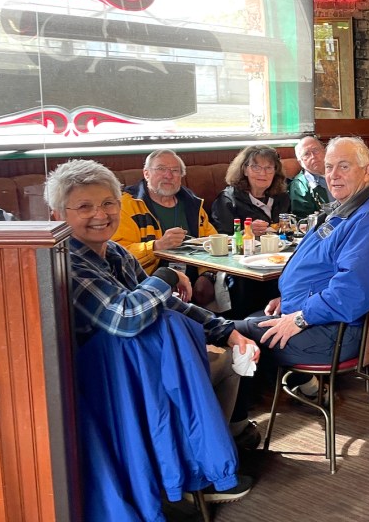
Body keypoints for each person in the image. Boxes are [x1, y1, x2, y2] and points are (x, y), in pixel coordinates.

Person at [46, 160, 260, 520]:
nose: (100, 214)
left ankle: (202, 464)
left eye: (108, 203)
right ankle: (192, 470)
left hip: (141, 368)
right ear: (58, 214)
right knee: (195, 360)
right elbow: (125, 317)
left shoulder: (115, 253)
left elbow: (167, 302)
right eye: (84, 206)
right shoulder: (68, 263)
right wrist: (166, 275)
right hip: (100, 385)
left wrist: (226, 329)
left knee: (231, 352)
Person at [236, 136, 369, 369]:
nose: (333, 175)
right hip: (322, 321)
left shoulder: (367, 219)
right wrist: (292, 300)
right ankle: (303, 384)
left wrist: (301, 317)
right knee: (244, 324)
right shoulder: (351, 207)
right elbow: (326, 269)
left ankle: (297, 382)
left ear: (367, 171)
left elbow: (351, 294)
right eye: (329, 167)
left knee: (224, 332)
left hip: (335, 334)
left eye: (344, 166)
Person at [112, 149, 220, 306]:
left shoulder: (192, 204)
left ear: (181, 177)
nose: (168, 175)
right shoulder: (127, 206)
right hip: (148, 283)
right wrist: (156, 246)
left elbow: (212, 242)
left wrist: (207, 274)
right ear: (146, 173)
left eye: (175, 171)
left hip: (192, 278)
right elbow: (117, 254)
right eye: (161, 169)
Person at [210, 145, 291, 236]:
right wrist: (247, 232)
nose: (262, 173)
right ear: (245, 170)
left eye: (268, 168)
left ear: (275, 171)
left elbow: (291, 228)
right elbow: (221, 238)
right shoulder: (227, 200)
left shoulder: (282, 196)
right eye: (256, 167)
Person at [288, 136, 329, 217]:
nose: (313, 156)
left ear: (324, 151)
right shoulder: (299, 186)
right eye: (306, 154)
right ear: (300, 162)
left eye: (315, 150)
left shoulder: (339, 172)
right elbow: (304, 218)